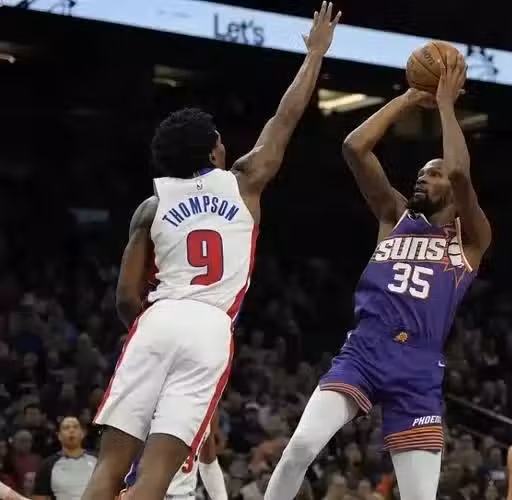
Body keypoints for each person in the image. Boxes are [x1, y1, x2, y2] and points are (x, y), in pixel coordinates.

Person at [80, 4, 341, 500]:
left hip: (158, 319)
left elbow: (125, 298)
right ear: (215, 149)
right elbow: (285, 118)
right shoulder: (245, 182)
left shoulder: (150, 206)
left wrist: (152, 327)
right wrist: (314, 54)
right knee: (157, 477)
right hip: (209, 330)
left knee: (110, 467)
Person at [264, 50, 492, 500]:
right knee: (301, 447)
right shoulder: (394, 216)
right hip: (366, 349)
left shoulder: (471, 239)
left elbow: (460, 171)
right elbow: (354, 147)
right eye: (420, 173)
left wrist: (445, 105)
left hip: (419, 365)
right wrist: (408, 97)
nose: (422, 178)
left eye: (432, 175)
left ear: (452, 191)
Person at [118, 415, 226, 500]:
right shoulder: (153, 403)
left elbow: (208, 463)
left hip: (183, 495)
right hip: (144, 492)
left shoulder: (208, 410)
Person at [33, 416, 97, 500]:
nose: (71, 430)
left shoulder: (98, 460)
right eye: (66, 428)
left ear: (83, 433)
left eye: (75, 427)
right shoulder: (47, 466)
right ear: (59, 436)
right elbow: (39, 497)